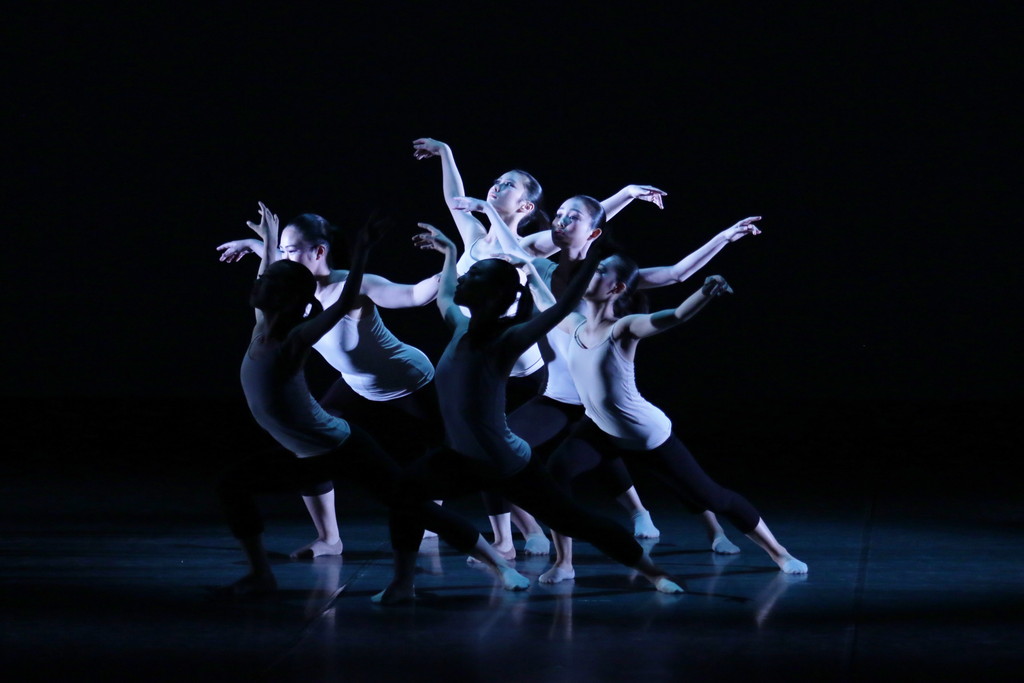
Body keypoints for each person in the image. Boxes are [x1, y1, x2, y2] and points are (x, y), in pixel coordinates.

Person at [216, 212, 529, 599]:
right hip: (329, 425)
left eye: (286, 254)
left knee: (418, 495)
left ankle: (502, 556)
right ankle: (289, 559)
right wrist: (261, 244)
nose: (262, 278)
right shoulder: (263, 324)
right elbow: (270, 275)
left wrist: (369, 251)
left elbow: (360, 300)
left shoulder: (297, 336)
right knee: (234, 485)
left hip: (359, 427)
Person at [382, 223, 683, 605]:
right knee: (404, 494)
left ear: (494, 294)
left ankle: (654, 572)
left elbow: (560, 308)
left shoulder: (508, 339)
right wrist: (450, 253)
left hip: (507, 463)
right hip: (460, 458)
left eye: (474, 275)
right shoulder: (459, 326)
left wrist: (591, 259)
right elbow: (444, 294)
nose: (464, 278)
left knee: (575, 521)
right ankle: (403, 583)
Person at [412, 137, 667, 556]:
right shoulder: (474, 236)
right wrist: (445, 152)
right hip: (478, 356)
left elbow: (582, 223)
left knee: (573, 431)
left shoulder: (529, 246)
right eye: (496, 181)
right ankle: (507, 533)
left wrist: (625, 195)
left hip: (525, 365)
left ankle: (632, 511)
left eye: (507, 185)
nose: (495, 187)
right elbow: (453, 198)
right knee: (480, 442)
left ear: (526, 206)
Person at [532, 253, 808, 584]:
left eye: (601, 270)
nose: (591, 271)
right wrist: (526, 269)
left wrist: (705, 292)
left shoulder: (623, 328)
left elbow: (675, 316)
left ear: (616, 288)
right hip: (599, 428)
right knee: (557, 472)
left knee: (712, 497)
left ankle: (779, 552)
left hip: (643, 433)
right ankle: (564, 563)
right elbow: (546, 303)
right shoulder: (575, 324)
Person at [217, 203, 443, 558]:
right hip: (355, 383)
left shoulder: (352, 285)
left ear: (319, 252)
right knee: (310, 446)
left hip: (408, 380)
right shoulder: (291, 290)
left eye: (291, 251)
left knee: (444, 450)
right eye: (282, 252)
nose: (282, 258)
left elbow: (415, 294)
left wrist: (454, 269)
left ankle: (488, 530)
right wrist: (255, 244)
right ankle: (329, 539)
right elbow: (276, 262)